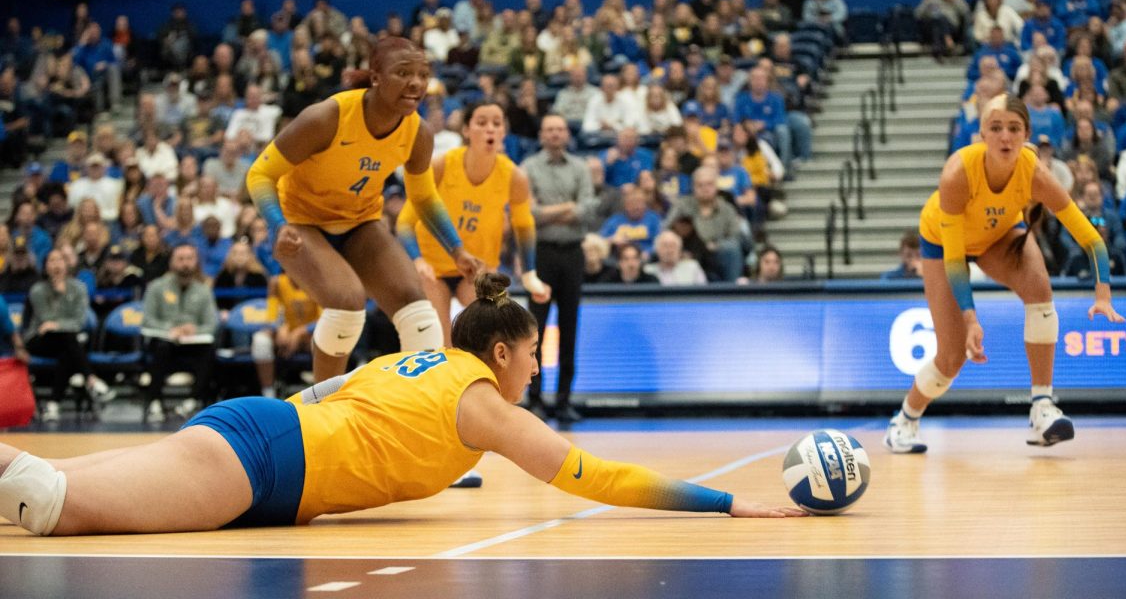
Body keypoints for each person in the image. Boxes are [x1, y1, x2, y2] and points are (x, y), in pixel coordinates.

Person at [0, 272, 800, 536]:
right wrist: (727, 502)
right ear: (500, 352)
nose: (534, 364)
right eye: (531, 353)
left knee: (37, 481)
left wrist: (262, 426)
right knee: (47, 500)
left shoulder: (418, 359)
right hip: (264, 462)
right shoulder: (485, 404)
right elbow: (593, 476)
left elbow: (330, 392)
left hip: (264, 439)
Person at [884, 95, 1125, 455]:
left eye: (1014, 128)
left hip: (997, 234)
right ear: (981, 134)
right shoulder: (957, 173)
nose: (1005, 137)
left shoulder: (1035, 173)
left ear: (1026, 134)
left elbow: (1091, 238)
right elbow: (954, 260)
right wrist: (970, 318)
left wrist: (1103, 293)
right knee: (951, 358)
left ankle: (1042, 407)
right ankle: (904, 420)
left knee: (1040, 288)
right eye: (995, 128)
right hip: (942, 244)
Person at [246, 37, 484, 383]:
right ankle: (322, 407)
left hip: (360, 221)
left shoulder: (418, 133)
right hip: (300, 223)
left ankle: (417, 412)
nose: (416, 83)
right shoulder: (327, 116)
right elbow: (259, 174)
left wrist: (457, 250)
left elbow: (425, 199)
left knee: (420, 315)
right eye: (403, 73)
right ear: (375, 78)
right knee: (347, 304)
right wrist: (277, 225)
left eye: (422, 74)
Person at [396, 101, 551, 340]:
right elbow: (405, 223)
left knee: (495, 338)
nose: (490, 129)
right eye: (481, 123)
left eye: (497, 123)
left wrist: (530, 274)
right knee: (439, 343)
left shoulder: (515, 176)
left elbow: (523, 225)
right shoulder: (441, 165)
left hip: (479, 269)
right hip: (432, 269)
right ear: (466, 130)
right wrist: (416, 260)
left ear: (503, 132)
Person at [522, 114, 594, 423]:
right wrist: (566, 209)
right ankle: (534, 398)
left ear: (567, 134)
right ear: (541, 134)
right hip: (541, 255)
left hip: (572, 255)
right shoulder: (528, 168)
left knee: (570, 328)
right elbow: (529, 213)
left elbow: (588, 209)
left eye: (560, 129)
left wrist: (549, 212)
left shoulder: (580, 168)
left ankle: (564, 401)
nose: (555, 134)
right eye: (549, 129)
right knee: (532, 330)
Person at [18, 249, 114, 422]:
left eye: (59, 260)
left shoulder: (78, 288)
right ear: (45, 266)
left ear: (67, 264)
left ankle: (54, 404)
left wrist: (58, 324)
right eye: (51, 261)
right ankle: (91, 379)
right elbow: (46, 320)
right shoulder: (38, 290)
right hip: (38, 340)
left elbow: (79, 321)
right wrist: (58, 293)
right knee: (70, 340)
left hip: (65, 341)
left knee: (67, 351)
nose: (56, 265)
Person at [141, 243, 219, 422]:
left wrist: (194, 330)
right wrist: (170, 329)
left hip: (193, 346)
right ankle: (155, 402)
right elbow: (147, 320)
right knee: (160, 347)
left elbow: (211, 324)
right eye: (180, 259)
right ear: (172, 262)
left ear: (196, 262)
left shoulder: (204, 290)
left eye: (189, 259)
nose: (185, 263)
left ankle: (193, 400)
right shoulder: (156, 287)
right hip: (166, 344)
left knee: (210, 350)